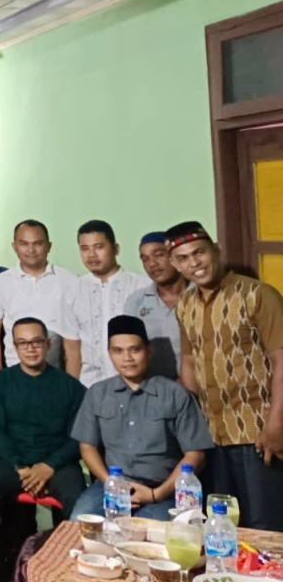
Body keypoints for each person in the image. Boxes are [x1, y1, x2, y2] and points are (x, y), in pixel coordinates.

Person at [169, 220, 283, 531]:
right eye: (183, 258)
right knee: (222, 526)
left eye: (199, 253)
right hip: (211, 436)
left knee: (265, 526)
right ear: (175, 265)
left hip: (257, 434)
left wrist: (276, 423)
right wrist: (189, 433)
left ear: (216, 250)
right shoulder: (185, 305)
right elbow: (189, 363)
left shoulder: (258, 295)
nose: (194, 263)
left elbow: (280, 358)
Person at [0, 318, 85, 582]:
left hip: (55, 463)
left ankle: (71, 571)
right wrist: (21, 467)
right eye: (23, 343)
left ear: (48, 344)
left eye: (36, 342)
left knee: (78, 497)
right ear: (14, 346)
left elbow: (78, 438)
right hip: (10, 461)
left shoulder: (71, 387)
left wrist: (48, 467)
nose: (30, 349)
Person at [70, 315, 213, 522]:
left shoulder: (175, 394)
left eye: (135, 349)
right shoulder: (97, 393)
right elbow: (87, 447)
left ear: (149, 351)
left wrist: (158, 494)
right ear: (110, 353)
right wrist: (111, 484)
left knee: (146, 536)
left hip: (163, 490)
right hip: (109, 486)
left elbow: (196, 454)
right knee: (78, 524)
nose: (127, 358)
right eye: (118, 351)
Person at [0, 219, 77, 372]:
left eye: (38, 243)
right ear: (15, 247)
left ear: (49, 246)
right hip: (15, 374)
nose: (31, 250)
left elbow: (75, 337)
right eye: (24, 244)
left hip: (58, 373)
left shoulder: (69, 280)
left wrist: (71, 383)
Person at [62, 220, 147, 387]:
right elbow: (72, 350)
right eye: (85, 248)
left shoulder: (141, 286)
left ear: (116, 249)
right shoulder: (72, 291)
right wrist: (73, 390)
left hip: (138, 384)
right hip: (90, 386)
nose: (92, 255)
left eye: (99, 247)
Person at [122, 231, 187, 380]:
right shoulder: (136, 302)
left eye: (159, 255)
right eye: (145, 259)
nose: (152, 264)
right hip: (155, 391)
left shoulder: (199, 295)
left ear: (174, 256)